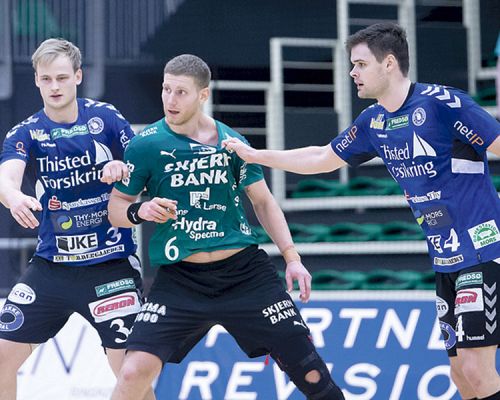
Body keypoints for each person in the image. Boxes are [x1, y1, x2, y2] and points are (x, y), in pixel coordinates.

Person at [224, 22, 500, 400]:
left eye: (360, 64)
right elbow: (322, 157)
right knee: (460, 373)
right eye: (352, 65)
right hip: (445, 260)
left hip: (485, 250)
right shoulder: (374, 121)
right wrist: (257, 156)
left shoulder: (442, 103)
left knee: (474, 367)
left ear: (389, 63)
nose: (352, 72)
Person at [108, 54, 345, 400]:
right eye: (166, 89)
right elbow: (116, 208)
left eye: (181, 92)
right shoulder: (145, 145)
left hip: (244, 275)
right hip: (181, 280)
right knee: (132, 373)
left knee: (310, 370)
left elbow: (263, 202)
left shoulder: (231, 142)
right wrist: (140, 210)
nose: (170, 100)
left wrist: (292, 257)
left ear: (203, 95)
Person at [0, 39, 154, 400]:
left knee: (130, 375)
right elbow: (6, 179)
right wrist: (14, 197)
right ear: (36, 81)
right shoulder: (25, 132)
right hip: (51, 268)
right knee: (2, 358)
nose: (54, 86)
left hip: (110, 267)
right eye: (46, 79)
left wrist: (123, 169)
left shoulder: (106, 118)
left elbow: (144, 170)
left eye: (62, 78)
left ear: (78, 76)